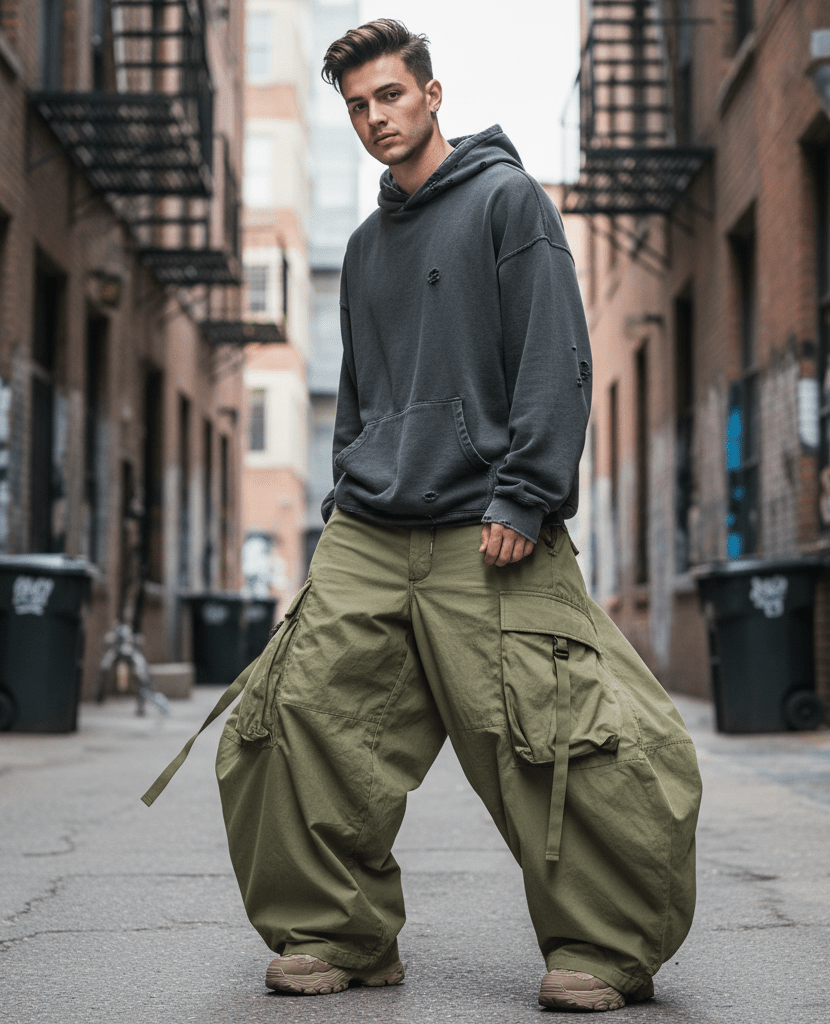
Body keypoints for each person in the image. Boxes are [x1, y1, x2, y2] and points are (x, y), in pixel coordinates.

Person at [144, 18, 701, 1014]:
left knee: (557, 731)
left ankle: (606, 945)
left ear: (431, 96)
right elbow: (360, 395)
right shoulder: (362, 250)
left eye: (389, 96)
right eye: (356, 105)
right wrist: (343, 501)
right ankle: (337, 930)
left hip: (486, 523)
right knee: (295, 715)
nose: (372, 119)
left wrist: (525, 490)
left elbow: (553, 356)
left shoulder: (506, 202)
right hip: (370, 523)